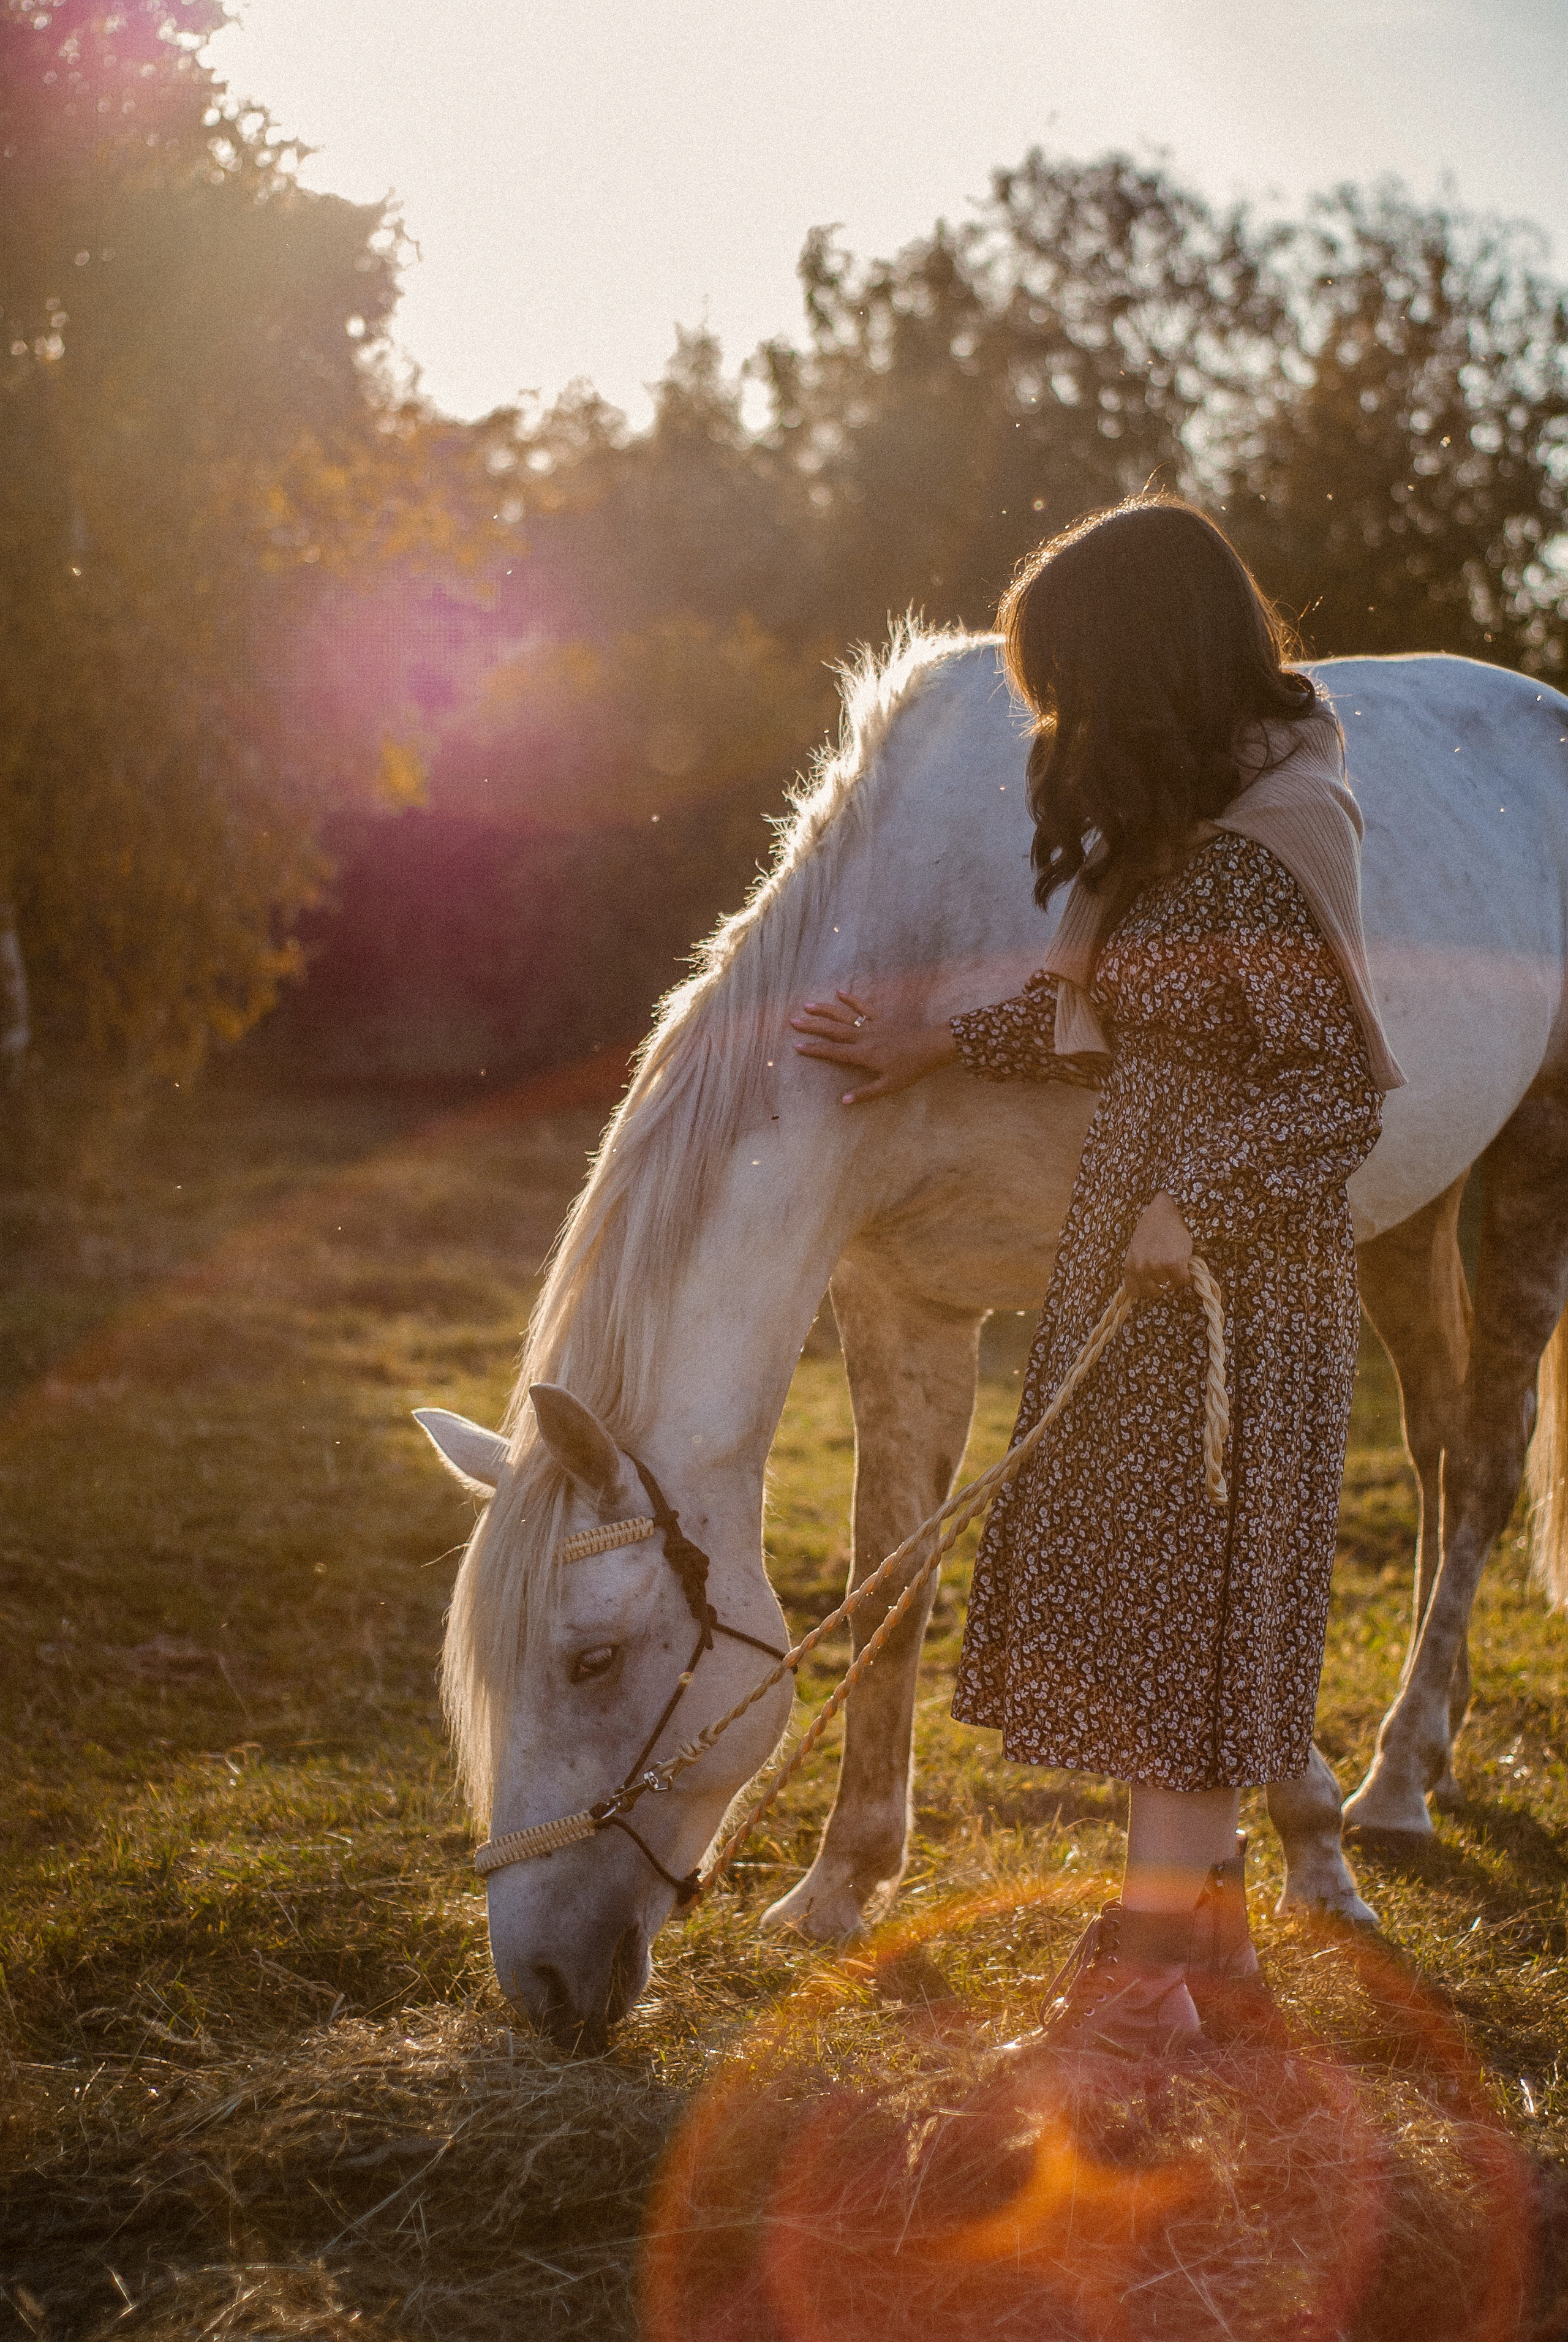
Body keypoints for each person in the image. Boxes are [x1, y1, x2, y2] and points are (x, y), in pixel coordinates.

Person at [790, 496, 1400, 2055]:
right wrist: (935, 1035)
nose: (1051, 715)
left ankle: (1137, 1986)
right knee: (1146, 1621)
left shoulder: (1283, 832)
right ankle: (1205, 1965)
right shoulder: (1169, 815)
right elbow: (1116, 1021)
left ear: (1149, 662)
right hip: (1130, 1261)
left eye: (1068, 678)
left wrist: (1189, 1211)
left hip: (1230, 1287)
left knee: (1196, 1621)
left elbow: (1335, 1091)